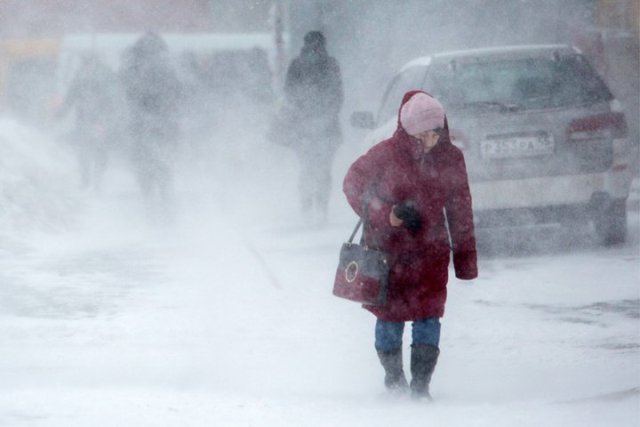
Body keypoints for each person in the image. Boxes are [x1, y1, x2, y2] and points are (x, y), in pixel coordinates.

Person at [342, 90, 478, 399]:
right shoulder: (384, 154)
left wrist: (465, 259)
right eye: (423, 135)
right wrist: (385, 214)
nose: (430, 141)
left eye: (435, 133)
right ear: (408, 130)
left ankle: (420, 387)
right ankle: (393, 380)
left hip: (432, 253)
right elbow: (352, 183)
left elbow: (460, 208)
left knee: (428, 317)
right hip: (388, 254)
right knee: (389, 319)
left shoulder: (451, 158)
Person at [119, 32, 183, 219]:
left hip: (140, 124)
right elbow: (178, 92)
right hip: (162, 123)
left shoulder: (132, 65)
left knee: (144, 166)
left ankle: (150, 207)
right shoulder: (165, 65)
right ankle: (166, 208)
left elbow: (126, 89)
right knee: (163, 167)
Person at [282, 30, 343, 221]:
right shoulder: (331, 64)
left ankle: (307, 207)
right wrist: (325, 117)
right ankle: (321, 208)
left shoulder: (296, 65)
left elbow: (289, 95)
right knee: (324, 169)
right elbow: (338, 96)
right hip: (327, 128)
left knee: (307, 168)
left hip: (303, 129)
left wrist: (302, 117)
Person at [56, 53, 120, 191]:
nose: (85, 66)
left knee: (99, 148)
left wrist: (108, 115)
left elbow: (112, 98)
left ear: (94, 63)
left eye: (87, 63)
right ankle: (86, 179)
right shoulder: (80, 77)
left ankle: (98, 177)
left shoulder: (103, 76)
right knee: (84, 149)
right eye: (84, 63)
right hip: (85, 118)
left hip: (100, 119)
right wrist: (61, 113)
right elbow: (71, 97)